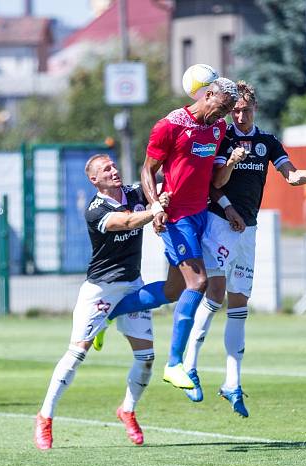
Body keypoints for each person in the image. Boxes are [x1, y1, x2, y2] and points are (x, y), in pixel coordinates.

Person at [182, 81, 306, 416]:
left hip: (247, 230)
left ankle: (232, 383)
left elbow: (292, 177)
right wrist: (232, 170)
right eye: (235, 110)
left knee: (239, 302)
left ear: (255, 109)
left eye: (245, 109)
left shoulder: (267, 141)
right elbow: (215, 182)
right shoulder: (222, 136)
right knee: (216, 291)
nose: (239, 115)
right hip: (219, 223)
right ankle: (189, 364)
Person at [95, 78, 240, 392]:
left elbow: (211, 178)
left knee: (174, 291)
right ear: (208, 94)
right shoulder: (170, 125)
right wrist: (155, 206)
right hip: (176, 217)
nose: (224, 114)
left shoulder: (217, 130)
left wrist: (227, 204)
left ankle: (111, 314)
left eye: (229, 110)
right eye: (223, 107)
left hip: (201, 214)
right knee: (198, 283)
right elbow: (148, 169)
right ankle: (174, 364)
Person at [34, 154, 168, 449]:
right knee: (76, 355)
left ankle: (127, 410)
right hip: (101, 290)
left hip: (132, 285)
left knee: (146, 360)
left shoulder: (134, 192)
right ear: (94, 179)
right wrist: (156, 207)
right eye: (106, 169)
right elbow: (129, 221)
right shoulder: (95, 211)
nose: (114, 171)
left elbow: (165, 178)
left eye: (114, 166)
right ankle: (45, 417)